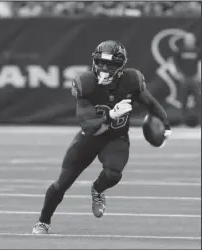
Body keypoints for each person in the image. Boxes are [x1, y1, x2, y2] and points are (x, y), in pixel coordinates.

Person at [32, 40, 172, 234]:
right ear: (94, 62)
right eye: (101, 62)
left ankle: (97, 189)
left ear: (121, 66)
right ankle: (43, 222)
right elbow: (88, 125)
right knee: (62, 184)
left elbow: (152, 104)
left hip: (116, 138)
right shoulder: (86, 83)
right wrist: (110, 115)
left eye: (111, 64)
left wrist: (165, 125)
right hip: (89, 138)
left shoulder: (131, 80)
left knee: (114, 173)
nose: (105, 68)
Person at [170, 32, 201, 126]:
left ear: (194, 41)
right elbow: (173, 63)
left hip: (194, 79)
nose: (190, 41)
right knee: (183, 101)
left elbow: (200, 63)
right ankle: (184, 122)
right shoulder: (180, 51)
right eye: (188, 39)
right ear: (185, 41)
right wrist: (177, 75)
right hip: (184, 80)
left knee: (199, 100)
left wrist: (199, 75)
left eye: (191, 39)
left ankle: (199, 122)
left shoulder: (198, 51)